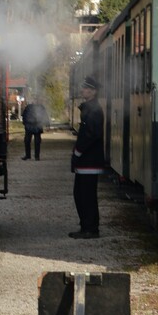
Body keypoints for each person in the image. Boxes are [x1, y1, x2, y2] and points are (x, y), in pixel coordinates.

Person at [70, 76, 106, 240]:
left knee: (85, 195)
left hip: (89, 160)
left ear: (93, 91)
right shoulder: (91, 108)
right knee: (82, 194)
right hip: (88, 160)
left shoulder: (93, 110)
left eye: (85, 88)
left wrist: (77, 152)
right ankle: (87, 226)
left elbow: (90, 135)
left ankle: (90, 228)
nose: (82, 90)